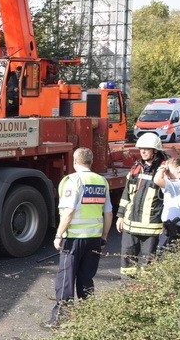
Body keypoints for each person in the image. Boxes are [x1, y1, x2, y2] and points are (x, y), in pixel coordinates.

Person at [46, 147, 113, 327]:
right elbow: (108, 214)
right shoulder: (102, 182)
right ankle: (88, 317)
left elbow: (69, 212)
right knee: (86, 277)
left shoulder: (73, 181)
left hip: (74, 239)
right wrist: (104, 236)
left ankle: (61, 318)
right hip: (94, 238)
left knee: (66, 278)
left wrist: (59, 235)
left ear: (75, 162)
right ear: (90, 162)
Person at [117, 132, 167, 276]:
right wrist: (120, 216)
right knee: (127, 263)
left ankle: (145, 292)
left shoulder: (163, 170)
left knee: (148, 265)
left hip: (151, 228)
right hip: (130, 225)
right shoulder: (136, 169)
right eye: (141, 149)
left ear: (155, 150)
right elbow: (126, 194)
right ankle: (127, 290)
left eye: (146, 148)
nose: (143, 151)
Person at [154, 154, 180, 249]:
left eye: (168, 169)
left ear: (178, 169)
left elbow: (157, 180)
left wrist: (161, 169)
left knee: (164, 258)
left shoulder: (179, 185)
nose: (167, 171)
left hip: (174, 230)